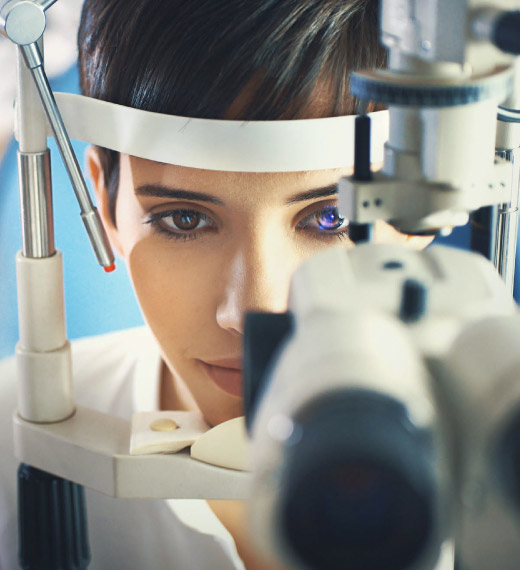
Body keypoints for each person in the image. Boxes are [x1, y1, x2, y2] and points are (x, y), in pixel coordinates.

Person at [0, 1, 435, 569]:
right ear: (104, 202)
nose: (252, 311)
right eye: (184, 219)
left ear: (429, 205)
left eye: (332, 219)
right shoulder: (10, 431)